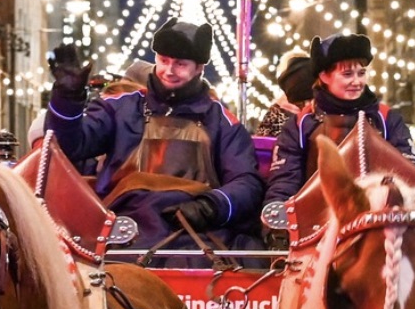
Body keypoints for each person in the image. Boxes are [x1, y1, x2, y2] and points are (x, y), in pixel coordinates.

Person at [46, 20, 262, 244]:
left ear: (199, 68)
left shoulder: (223, 122)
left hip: (193, 231)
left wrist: (211, 206)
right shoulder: (119, 107)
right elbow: (69, 146)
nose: (168, 71)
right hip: (123, 228)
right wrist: (67, 99)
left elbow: (246, 181)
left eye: (180, 64)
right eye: (163, 60)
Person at [263, 35, 415, 206]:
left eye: (361, 73)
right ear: (324, 76)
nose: (357, 81)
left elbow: (409, 172)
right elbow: (285, 180)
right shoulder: (299, 125)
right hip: (319, 218)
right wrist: (277, 218)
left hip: (380, 217)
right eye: (347, 74)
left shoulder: (387, 118)